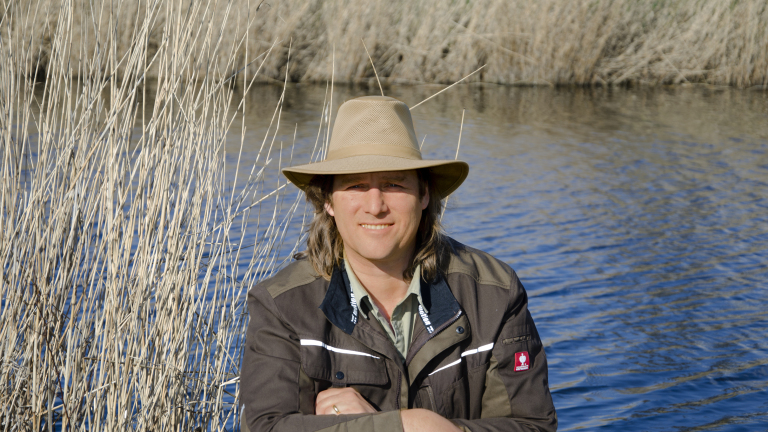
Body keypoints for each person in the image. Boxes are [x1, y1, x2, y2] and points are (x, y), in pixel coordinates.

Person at [240, 96, 557, 432]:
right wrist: (405, 424)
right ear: (328, 200)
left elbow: (532, 425)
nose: (375, 206)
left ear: (423, 195)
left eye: (393, 184)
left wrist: (411, 426)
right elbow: (266, 427)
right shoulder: (282, 306)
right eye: (356, 185)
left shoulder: (494, 292)